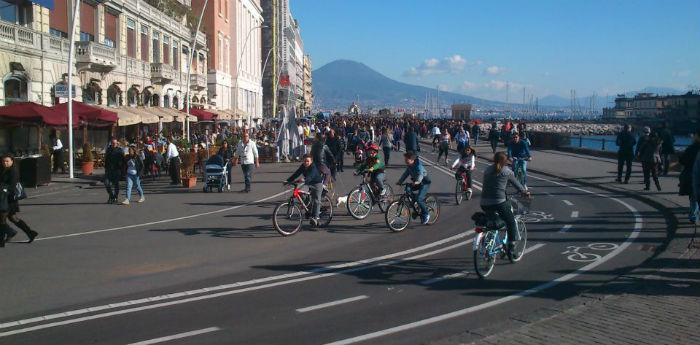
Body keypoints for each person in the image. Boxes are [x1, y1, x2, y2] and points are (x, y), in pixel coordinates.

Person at [480, 152, 530, 254]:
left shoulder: (487, 170)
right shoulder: (507, 171)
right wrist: (525, 193)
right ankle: (511, 247)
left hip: (484, 202)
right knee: (510, 221)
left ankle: (489, 239)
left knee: (493, 220)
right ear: (505, 161)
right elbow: (518, 186)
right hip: (499, 201)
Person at [0, 155, 38, 246]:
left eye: (7, 161)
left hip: (9, 198)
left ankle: (3, 239)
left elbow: (12, 186)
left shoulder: (13, 171)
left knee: (2, 219)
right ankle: (30, 233)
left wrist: (4, 188)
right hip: (4, 197)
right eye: (3, 161)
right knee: (12, 218)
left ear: (12, 161)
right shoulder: (3, 169)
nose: (5, 163)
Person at [286, 154, 324, 226]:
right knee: (300, 193)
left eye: (307, 161)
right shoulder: (303, 166)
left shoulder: (313, 167)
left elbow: (311, 176)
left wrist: (304, 179)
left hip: (317, 183)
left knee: (316, 200)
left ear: (311, 161)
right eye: (304, 161)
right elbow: (297, 173)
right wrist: (288, 180)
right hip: (308, 183)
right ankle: (309, 209)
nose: (306, 163)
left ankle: (316, 218)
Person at [396, 152, 432, 225]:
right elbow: (405, 174)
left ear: (412, 159)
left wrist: (418, 181)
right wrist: (399, 182)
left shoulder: (418, 165)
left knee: (419, 199)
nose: (405, 160)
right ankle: (416, 206)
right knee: (407, 189)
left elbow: (421, 174)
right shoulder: (409, 166)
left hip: (424, 182)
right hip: (416, 182)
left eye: (407, 159)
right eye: (405, 159)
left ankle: (426, 214)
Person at [679, 128, 700, 223]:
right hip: (693, 173)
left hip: (693, 173)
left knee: (694, 196)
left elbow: (683, 160)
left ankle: (693, 216)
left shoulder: (692, 148)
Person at [636, 127, 662, 191]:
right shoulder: (659, 143)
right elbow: (660, 151)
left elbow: (641, 149)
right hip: (655, 159)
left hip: (646, 159)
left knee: (647, 173)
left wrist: (638, 156)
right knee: (655, 174)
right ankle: (658, 187)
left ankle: (648, 187)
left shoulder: (647, 142)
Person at [104, 138, 124, 204]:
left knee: (116, 184)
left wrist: (121, 168)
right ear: (111, 143)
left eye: (115, 143)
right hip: (109, 169)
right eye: (113, 143)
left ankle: (115, 197)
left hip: (116, 169)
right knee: (106, 183)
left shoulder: (120, 150)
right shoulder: (108, 150)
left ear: (117, 143)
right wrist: (106, 167)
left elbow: (123, 160)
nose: (114, 144)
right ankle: (111, 196)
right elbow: (106, 159)